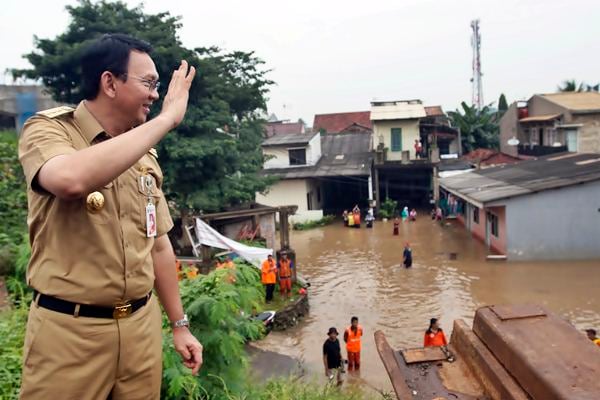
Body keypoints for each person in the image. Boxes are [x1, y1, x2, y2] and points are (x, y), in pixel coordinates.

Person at [17, 34, 202, 399]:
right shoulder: (50, 130)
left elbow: (158, 246)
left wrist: (179, 325)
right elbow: (70, 180)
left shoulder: (144, 156)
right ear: (109, 82)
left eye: (157, 86)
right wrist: (166, 120)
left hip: (140, 329)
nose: (154, 94)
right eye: (148, 83)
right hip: (69, 334)